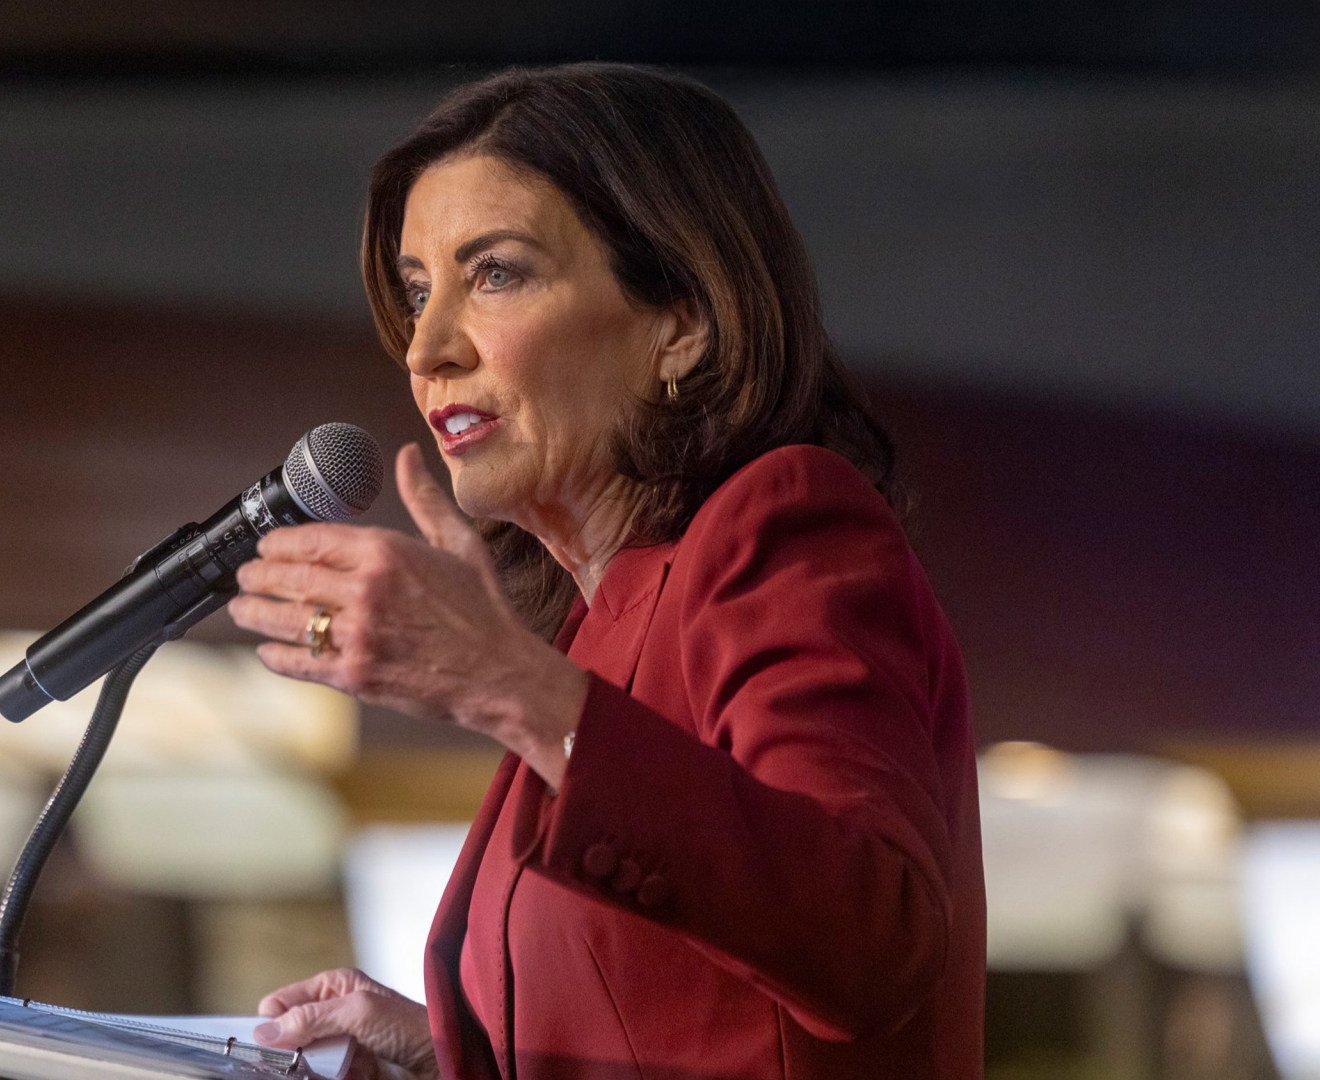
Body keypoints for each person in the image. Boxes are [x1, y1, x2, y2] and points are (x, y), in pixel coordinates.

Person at [226, 63, 984, 1080]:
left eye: (496, 274)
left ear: (683, 322)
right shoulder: (591, 635)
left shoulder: (783, 524)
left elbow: (871, 935)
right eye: (417, 291)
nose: (426, 349)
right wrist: (437, 1056)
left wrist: (507, 685)